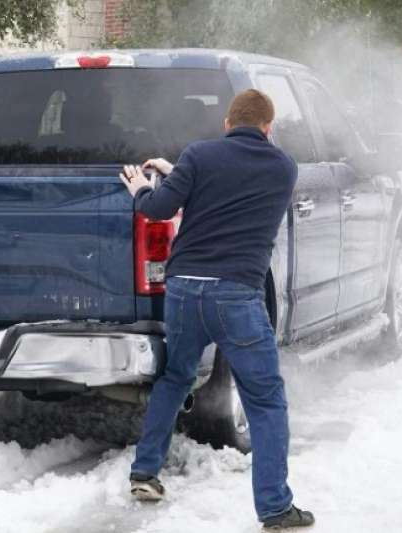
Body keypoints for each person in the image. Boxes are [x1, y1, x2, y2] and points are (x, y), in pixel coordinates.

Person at [119, 89, 315, 530]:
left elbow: (159, 208)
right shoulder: (284, 167)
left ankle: (144, 473)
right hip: (237, 298)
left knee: (175, 377)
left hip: (186, 293)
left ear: (227, 124)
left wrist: (144, 186)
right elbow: (236, 195)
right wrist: (184, 176)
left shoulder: (199, 155)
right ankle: (275, 508)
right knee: (265, 401)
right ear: (269, 127)